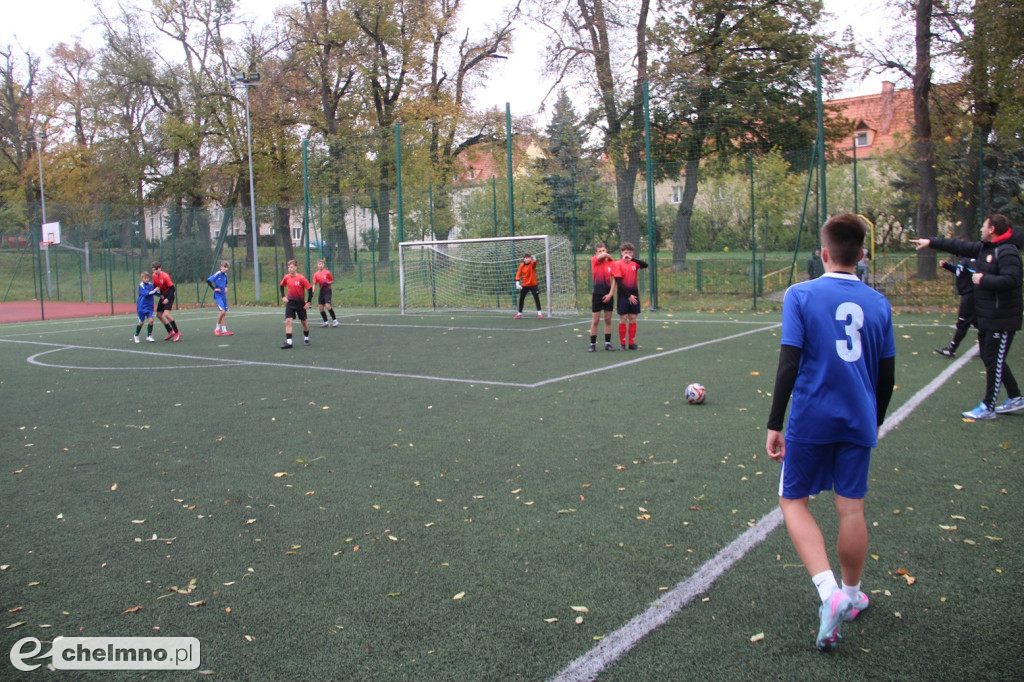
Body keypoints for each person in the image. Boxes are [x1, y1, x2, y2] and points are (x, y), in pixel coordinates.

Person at [766, 213, 896, 651]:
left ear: (822, 254)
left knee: (792, 500)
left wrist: (774, 423)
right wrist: (872, 419)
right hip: (858, 417)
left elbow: (789, 363)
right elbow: (886, 372)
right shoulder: (879, 303)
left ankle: (830, 594)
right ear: (862, 255)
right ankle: (854, 594)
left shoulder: (800, 294)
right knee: (851, 509)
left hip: (811, 417)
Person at [912, 214, 1024, 418]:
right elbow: (958, 246)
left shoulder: (1007, 252)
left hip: (1002, 318)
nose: (981, 228)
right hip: (987, 316)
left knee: (994, 360)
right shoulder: (985, 248)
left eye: (984, 225)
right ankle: (1015, 396)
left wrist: (984, 279)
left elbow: (1013, 280)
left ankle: (988, 407)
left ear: (992, 230)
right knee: (992, 358)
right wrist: (930, 242)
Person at [934, 245, 977, 358]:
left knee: (963, 323)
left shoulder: (971, 260)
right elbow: (960, 271)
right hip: (968, 296)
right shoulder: (964, 260)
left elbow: (975, 271)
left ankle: (951, 349)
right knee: (978, 322)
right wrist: (947, 266)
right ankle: (987, 348)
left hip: (970, 297)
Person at [613, 243, 648, 349]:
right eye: (625, 252)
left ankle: (631, 343)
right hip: (623, 295)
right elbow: (619, 282)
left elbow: (645, 264)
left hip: (634, 293)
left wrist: (633, 259)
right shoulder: (617, 264)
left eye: (629, 252)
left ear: (632, 253)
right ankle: (622, 344)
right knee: (623, 318)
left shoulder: (635, 263)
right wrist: (629, 296)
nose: (627, 254)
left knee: (633, 318)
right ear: (621, 253)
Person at [588, 243, 617, 352]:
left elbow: (615, 279)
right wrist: (607, 255)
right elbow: (601, 257)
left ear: (607, 250)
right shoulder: (594, 260)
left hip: (608, 294)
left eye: (604, 250)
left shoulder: (611, 263)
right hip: (597, 294)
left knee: (608, 320)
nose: (602, 253)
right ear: (596, 253)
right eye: (599, 251)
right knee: (595, 321)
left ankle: (607, 344)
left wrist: (610, 294)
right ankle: (592, 344)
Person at [279, 259, 313, 349]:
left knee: (304, 322)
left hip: (300, 303)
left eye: (291, 267)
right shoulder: (286, 277)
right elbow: (281, 285)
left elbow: (310, 289)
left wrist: (308, 302)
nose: (290, 269)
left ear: (296, 267)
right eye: (288, 267)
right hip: (290, 303)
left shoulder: (301, 278)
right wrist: (283, 296)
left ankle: (306, 338)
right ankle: (289, 342)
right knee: (288, 321)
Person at [151, 261, 181, 342]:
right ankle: (170, 331)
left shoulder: (165, 276)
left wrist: (167, 299)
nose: (154, 272)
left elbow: (173, 289)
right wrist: (156, 292)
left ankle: (177, 332)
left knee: (166, 314)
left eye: (155, 270)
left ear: (160, 268)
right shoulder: (154, 275)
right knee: (159, 315)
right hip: (163, 295)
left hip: (169, 295)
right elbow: (155, 286)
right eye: (153, 270)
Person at [206, 261, 233, 336]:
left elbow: (226, 281)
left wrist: (226, 287)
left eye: (226, 267)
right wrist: (214, 289)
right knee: (222, 311)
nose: (225, 268)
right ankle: (217, 328)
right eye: (224, 267)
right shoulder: (218, 274)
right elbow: (208, 281)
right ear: (221, 267)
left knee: (224, 313)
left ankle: (224, 330)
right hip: (218, 295)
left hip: (223, 295)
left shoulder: (225, 275)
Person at [514, 253, 543, 319]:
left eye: (528, 258)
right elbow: (518, 274)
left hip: (533, 285)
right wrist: (517, 283)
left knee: (536, 298)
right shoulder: (521, 265)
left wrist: (535, 260)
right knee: (521, 299)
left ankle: (539, 313)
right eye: (526, 258)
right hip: (525, 285)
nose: (527, 259)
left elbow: (535, 263)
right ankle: (519, 313)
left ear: (530, 258)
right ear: (524, 259)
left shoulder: (532, 263)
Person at [133, 271, 159, 343]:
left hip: (149, 306)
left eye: (147, 278)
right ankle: (136, 335)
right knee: (141, 322)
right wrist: (155, 290)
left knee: (151, 321)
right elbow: (147, 294)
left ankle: (149, 336)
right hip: (141, 307)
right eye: (145, 278)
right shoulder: (141, 286)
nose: (146, 279)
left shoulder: (151, 285)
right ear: (142, 278)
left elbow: (155, 292)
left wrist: (161, 295)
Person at [313, 259, 340, 328]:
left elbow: (332, 281)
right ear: (317, 265)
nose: (320, 265)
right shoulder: (316, 274)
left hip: (327, 290)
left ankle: (335, 321)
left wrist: (327, 283)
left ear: (323, 265)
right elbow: (314, 284)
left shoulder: (327, 272)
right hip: (321, 291)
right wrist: (312, 292)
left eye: (321, 264)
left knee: (327, 305)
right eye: (319, 264)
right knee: (320, 307)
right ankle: (326, 322)